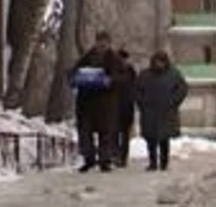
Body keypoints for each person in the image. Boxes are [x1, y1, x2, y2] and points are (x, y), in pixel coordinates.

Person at [69, 31, 128, 171]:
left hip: (106, 103)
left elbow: (123, 77)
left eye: (104, 42)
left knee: (105, 133)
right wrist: (76, 79)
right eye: (99, 41)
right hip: (87, 102)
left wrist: (111, 81)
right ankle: (89, 159)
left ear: (109, 43)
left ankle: (104, 161)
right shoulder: (87, 57)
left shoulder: (115, 59)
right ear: (95, 42)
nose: (101, 45)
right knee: (85, 132)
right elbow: (74, 72)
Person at [134, 51, 189, 171]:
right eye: (156, 61)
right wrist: (142, 103)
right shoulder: (145, 75)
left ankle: (164, 163)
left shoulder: (173, 74)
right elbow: (137, 90)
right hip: (150, 111)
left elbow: (182, 89)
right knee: (151, 139)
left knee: (164, 139)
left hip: (166, 111)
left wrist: (173, 101)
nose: (159, 64)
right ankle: (152, 162)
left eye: (161, 61)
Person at [113, 47, 137, 166]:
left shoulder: (131, 72)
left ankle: (122, 157)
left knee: (124, 134)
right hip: (113, 106)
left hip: (127, 107)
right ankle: (116, 155)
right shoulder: (112, 71)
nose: (123, 61)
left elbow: (135, 88)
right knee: (114, 133)